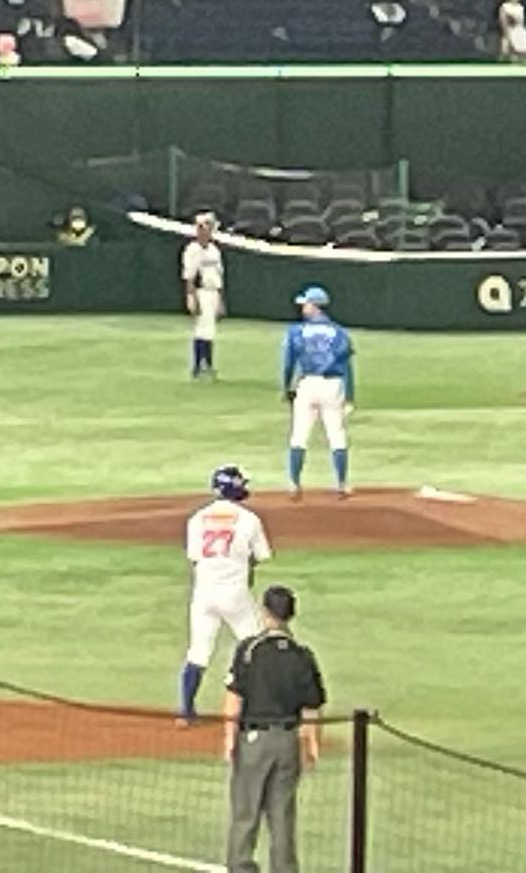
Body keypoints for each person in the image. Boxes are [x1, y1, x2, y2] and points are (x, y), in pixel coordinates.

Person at [223, 584, 326, 873]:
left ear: (265, 612)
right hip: (287, 742)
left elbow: (234, 697)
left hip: (255, 740)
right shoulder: (302, 655)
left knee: (246, 812)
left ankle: (241, 867)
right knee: (282, 815)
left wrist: (229, 739)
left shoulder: (249, 650)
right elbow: (312, 706)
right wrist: (311, 745)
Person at [178, 464, 271, 725]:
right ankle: (256, 706)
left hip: (204, 594)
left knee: (198, 651)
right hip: (235, 595)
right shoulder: (249, 519)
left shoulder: (197, 518)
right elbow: (260, 556)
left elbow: (195, 558)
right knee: (256, 648)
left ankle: (185, 711)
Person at [282, 285, 355, 498]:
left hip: (307, 384)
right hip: (333, 385)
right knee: (337, 434)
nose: (302, 308)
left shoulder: (297, 331)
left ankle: (294, 484)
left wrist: (287, 387)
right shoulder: (339, 332)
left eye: (305, 304)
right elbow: (346, 366)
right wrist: (350, 395)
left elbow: (288, 362)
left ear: (315, 306)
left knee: (299, 434)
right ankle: (341, 484)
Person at [181, 211, 226, 380]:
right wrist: (191, 297)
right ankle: (198, 365)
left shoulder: (214, 250)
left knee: (210, 330)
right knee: (201, 330)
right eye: (200, 227)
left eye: (206, 227)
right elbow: (189, 276)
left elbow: (219, 276)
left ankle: (207, 364)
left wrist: (221, 300)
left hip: (213, 291)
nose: (203, 230)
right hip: (201, 291)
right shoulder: (192, 250)